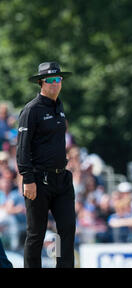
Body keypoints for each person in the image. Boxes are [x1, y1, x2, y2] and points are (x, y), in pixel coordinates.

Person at [16, 62, 76, 268]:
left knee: (67, 229)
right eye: (50, 80)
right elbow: (22, 148)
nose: (55, 84)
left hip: (62, 179)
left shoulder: (59, 107)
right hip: (39, 179)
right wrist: (28, 178)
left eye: (58, 79)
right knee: (36, 233)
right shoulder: (31, 110)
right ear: (41, 83)